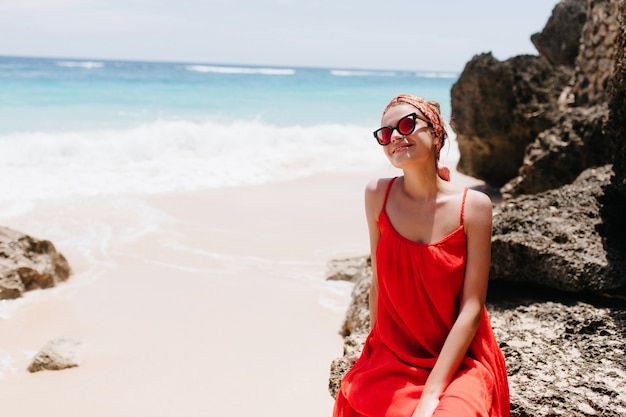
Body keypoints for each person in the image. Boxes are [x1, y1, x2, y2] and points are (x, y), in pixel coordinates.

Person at [333, 94, 510, 417]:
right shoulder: (377, 195)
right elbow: (378, 282)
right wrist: (372, 348)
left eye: (407, 124)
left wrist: (432, 393)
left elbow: (472, 307)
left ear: (436, 132)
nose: (396, 137)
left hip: (459, 360)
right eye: (385, 133)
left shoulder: (473, 207)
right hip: (394, 354)